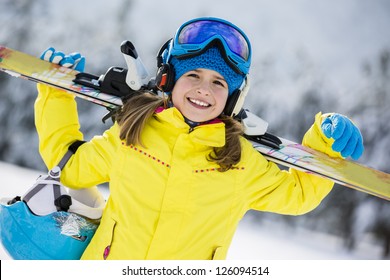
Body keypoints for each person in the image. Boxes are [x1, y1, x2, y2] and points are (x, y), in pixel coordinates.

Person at [34, 17, 364, 260]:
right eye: (193, 75)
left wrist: (323, 145)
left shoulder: (238, 162)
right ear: (169, 80)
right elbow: (70, 167)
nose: (204, 89)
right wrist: (55, 97)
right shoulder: (132, 135)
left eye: (219, 83)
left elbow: (298, 195)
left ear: (234, 98)